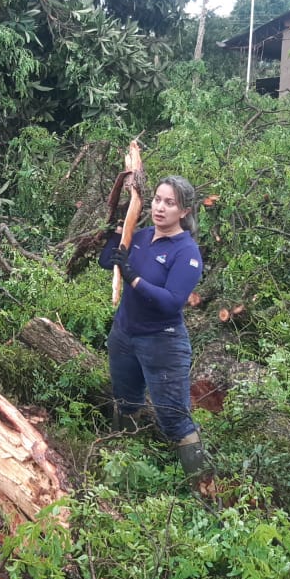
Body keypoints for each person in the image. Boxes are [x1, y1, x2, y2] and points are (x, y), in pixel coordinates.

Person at [100, 175, 208, 488]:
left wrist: (133, 278)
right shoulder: (142, 235)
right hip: (124, 335)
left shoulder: (186, 253)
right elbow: (107, 262)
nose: (160, 208)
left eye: (170, 203)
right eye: (158, 200)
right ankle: (124, 473)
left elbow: (172, 301)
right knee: (125, 401)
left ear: (184, 211)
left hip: (162, 342)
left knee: (174, 418)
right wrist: (114, 236)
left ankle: (205, 489)